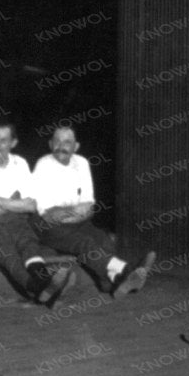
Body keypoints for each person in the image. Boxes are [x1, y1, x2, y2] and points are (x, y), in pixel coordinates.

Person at [30, 126, 152, 299]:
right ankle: (126, 271)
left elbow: (89, 205)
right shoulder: (43, 165)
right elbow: (50, 214)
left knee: (103, 239)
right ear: (50, 144)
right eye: (56, 141)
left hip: (76, 222)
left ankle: (110, 284)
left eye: (67, 142)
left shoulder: (82, 163)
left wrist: (78, 214)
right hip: (47, 225)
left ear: (76, 146)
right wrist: (75, 211)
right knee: (85, 242)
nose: (61, 146)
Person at [0, 121, 75, 307]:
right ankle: (41, 287)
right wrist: (15, 201)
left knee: (28, 243)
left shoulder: (21, 164)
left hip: (17, 220)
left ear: (13, 143)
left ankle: (45, 285)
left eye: (4, 141)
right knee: (6, 251)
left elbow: (31, 206)